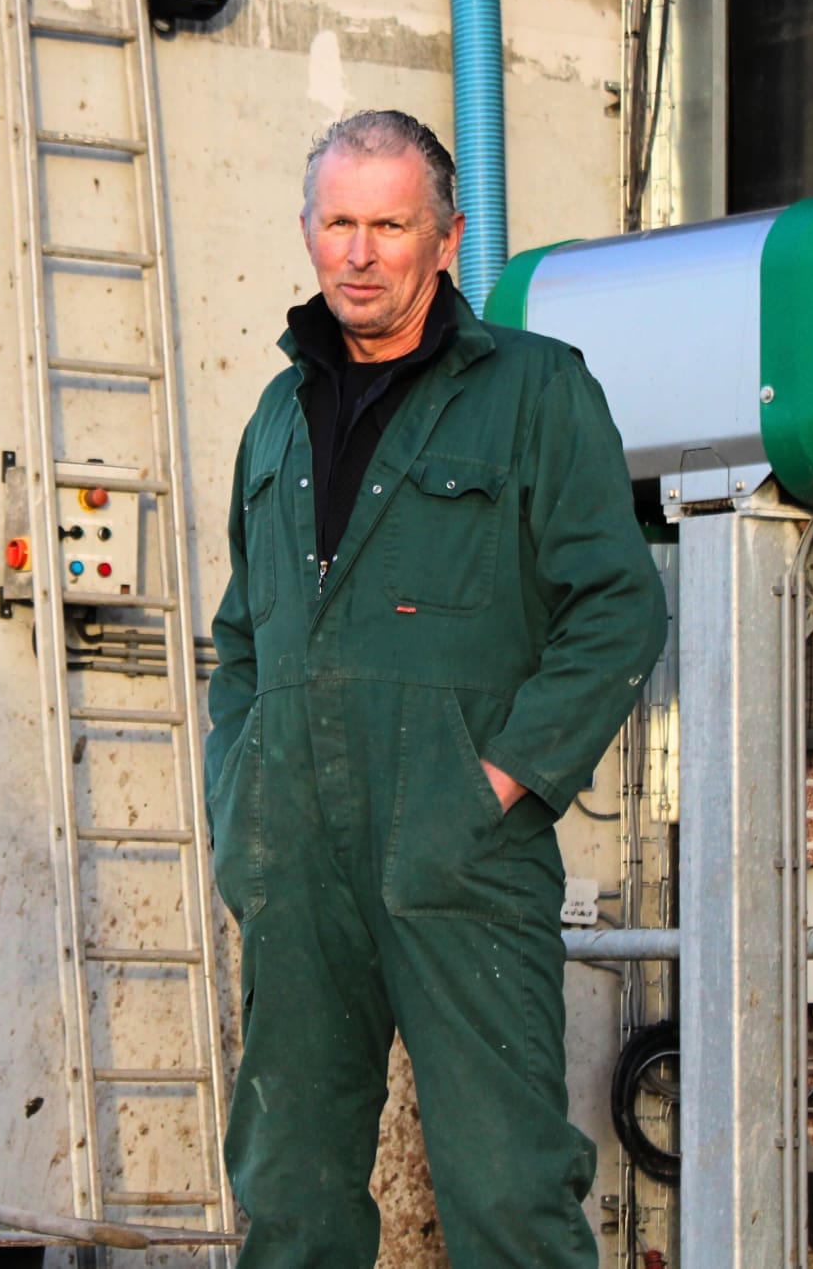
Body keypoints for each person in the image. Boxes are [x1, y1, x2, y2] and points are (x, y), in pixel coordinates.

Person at [204, 109, 665, 1268]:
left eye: (390, 226)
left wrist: (499, 780)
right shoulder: (276, 417)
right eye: (338, 224)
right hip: (294, 858)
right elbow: (242, 639)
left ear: (446, 238)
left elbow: (617, 606)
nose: (359, 254)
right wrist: (239, 802)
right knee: (290, 1193)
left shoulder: (533, 390)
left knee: (507, 1188)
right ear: (307, 231)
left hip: (461, 850)